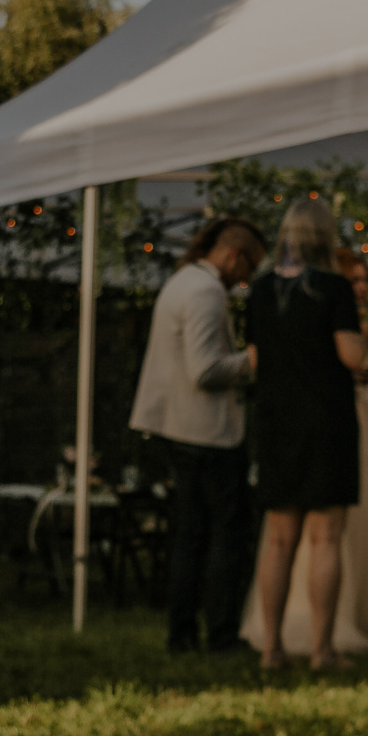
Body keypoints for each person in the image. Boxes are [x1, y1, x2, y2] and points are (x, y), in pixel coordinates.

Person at [241, 246, 368, 656]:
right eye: (356, 278)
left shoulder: (262, 292)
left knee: (278, 540)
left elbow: (253, 360)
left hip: (276, 424)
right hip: (326, 426)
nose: (360, 286)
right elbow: (350, 356)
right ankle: (322, 649)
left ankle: (272, 649)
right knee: (325, 538)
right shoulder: (333, 293)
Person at [128, 216, 265, 654]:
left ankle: (181, 633)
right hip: (206, 434)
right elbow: (204, 370)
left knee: (188, 536)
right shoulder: (206, 292)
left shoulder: (182, 281)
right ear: (233, 256)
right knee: (226, 536)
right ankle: (221, 634)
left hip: (177, 429)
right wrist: (253, 361)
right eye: (250, 267)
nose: (248, 280)